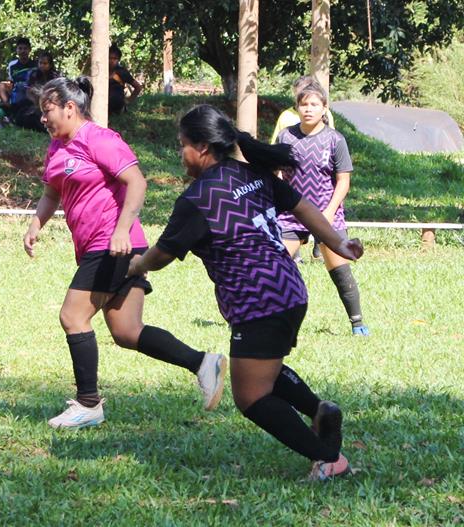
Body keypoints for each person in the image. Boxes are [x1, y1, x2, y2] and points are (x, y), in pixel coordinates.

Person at [127, 104, 361, 480]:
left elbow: (161, 255)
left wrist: (136, 266)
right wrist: (340, 241)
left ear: (202, 147)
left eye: (183, 145)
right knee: (260, 368)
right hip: (289, 288)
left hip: (258, 300)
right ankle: (320, 412)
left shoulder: (198, 199)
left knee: (251, 397)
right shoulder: (251, 173)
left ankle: (328, 458)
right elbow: (305, 209)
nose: (180, 154)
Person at [23, 77, 227, 429]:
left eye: (48, 110)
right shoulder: (57, 148)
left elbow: (137, 181)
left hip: (114, 243)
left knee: (73, 317)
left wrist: (120, 230)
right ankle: (203, 362)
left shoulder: (99, 139)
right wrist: (35, 223)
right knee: (127, 331)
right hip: (95, 246)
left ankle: (88, 404)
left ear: (70, 108)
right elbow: (52, 193)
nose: (44, 118)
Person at [275, 80, 369, 336]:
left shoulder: (335, 140)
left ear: (324, 108)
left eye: (314, 105)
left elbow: (343, 181)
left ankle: (357, 322)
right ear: (297, 108)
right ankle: (271, 320)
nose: (308, 109)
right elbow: (279, 174)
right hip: (292, 215)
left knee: (339, 270)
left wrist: (328, 212)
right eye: (303, 104)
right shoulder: (286, 137)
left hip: (328, 215)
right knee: (276, 266)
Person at [271, 75, 336, 262]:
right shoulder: (287, 118)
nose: (308, 108)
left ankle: (319, 245)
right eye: (302, 100)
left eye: (313, 103)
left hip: (320, 180)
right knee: (291, 219)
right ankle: (295, 253)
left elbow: (330, 140)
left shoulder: (330, 127)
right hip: (293, 179)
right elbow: (277, 147)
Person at [0, 36, 36, 106]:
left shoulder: (35, 65)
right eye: (20, 48)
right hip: (16, 89)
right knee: (1, 85)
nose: (23, 51)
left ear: (29, 50)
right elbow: (11, 81)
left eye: (25, 48)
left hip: (31, 90)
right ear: (17, 50)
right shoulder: (12, 65)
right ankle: (9, 108)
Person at [108, 44, 142, 115]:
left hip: (117, 107)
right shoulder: (100, 72)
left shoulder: (122, 72)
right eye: (110, 58)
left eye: (114, 58)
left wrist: (128, 101)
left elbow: (138, 87)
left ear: (118, 60)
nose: (112, 61)